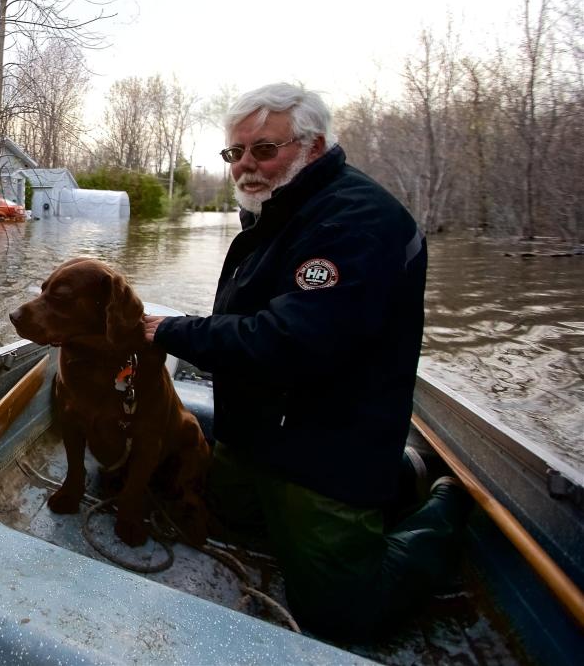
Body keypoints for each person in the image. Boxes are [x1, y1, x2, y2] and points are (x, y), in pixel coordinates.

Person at [143, 82, 471, 642]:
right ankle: (402, 477)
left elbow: (295, 342)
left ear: (313, 148)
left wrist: (171, 331)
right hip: (261, 429)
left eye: (264, 150)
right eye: (235, 153)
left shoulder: (355, 219)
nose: (246, 165)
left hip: (329, 445)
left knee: (340, 614)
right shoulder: (277, 212)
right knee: (229, 514)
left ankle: (445, 510)